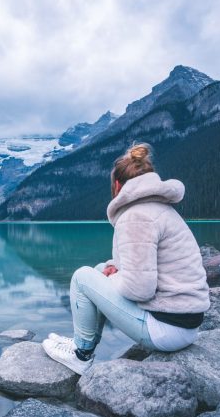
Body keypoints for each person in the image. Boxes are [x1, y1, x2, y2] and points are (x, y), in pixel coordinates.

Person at [43, 142, 210, 374]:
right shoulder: (158, 209)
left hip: (167, 329)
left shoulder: (136, 217)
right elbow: (146, 264)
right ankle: (82, 341)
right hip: (184, 321)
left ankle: (81, 355)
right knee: (102, 268)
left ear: (118, 185)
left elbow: (140, 289)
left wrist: (112, 279)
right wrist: (113, 270)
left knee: (82, 277)